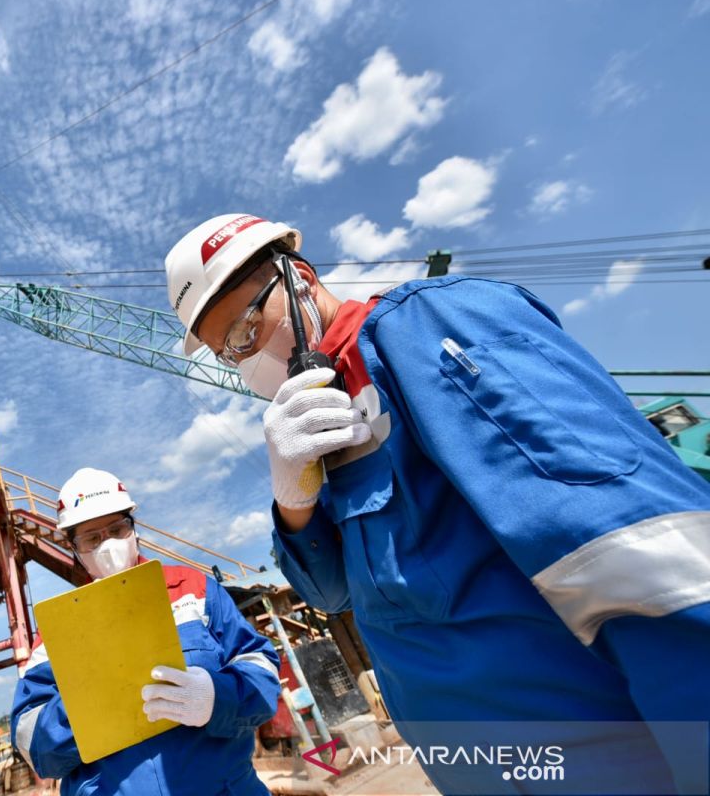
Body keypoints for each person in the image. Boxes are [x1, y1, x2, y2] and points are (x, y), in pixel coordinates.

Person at [163, 213, 710, 793]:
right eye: (228, 353)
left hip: (589, 755)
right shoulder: (320, 421)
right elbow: (330, 594)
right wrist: (292, 497)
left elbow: (629, 557)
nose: (245, 362)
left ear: (298, 277)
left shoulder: (425, 329)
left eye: (244, 332)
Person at [10, 468, 280, 795]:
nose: (107, 545)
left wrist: (215, 696)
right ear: (74, 549)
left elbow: (262, 672)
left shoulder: (194, 590)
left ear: (133, 529)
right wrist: (86, 713)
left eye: (116, 529)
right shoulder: (56, 633)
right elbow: (29, 740)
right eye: (92, 538)